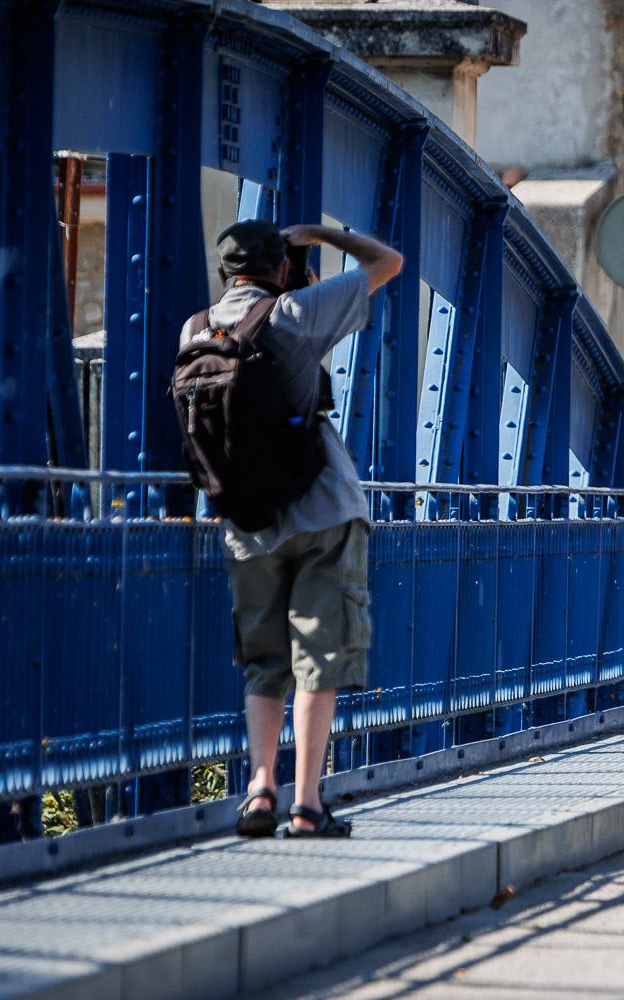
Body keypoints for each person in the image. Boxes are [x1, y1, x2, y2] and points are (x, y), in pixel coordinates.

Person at [188, 219, 403, 838]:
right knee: (320, 659)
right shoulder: (294, 313)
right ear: (282, 270)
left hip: (245, 523)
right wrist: (327, 236)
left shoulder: (197, 329)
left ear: (227, 272)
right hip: (323, 513)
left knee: (264, 663)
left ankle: (259, 788)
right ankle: (306, 803)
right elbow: (388, 261)